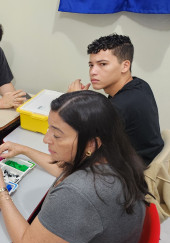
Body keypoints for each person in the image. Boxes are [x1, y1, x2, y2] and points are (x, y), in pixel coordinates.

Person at [0, 91, 148, 243]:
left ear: (91, 144)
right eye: (49, 128)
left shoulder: (80, 192)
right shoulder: (114, 156)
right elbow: (63, 168)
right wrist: (23, 149)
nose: (46, 139)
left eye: (57, 135)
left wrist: (0, 188)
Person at [67, 34, 163, 165]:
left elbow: (78, 141)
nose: (93, 71)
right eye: (91, 65)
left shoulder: (121, 105)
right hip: (143, 161)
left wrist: (72, 102)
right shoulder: (139, 85)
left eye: (103, 64)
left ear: (125, 66)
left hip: (132, 175)